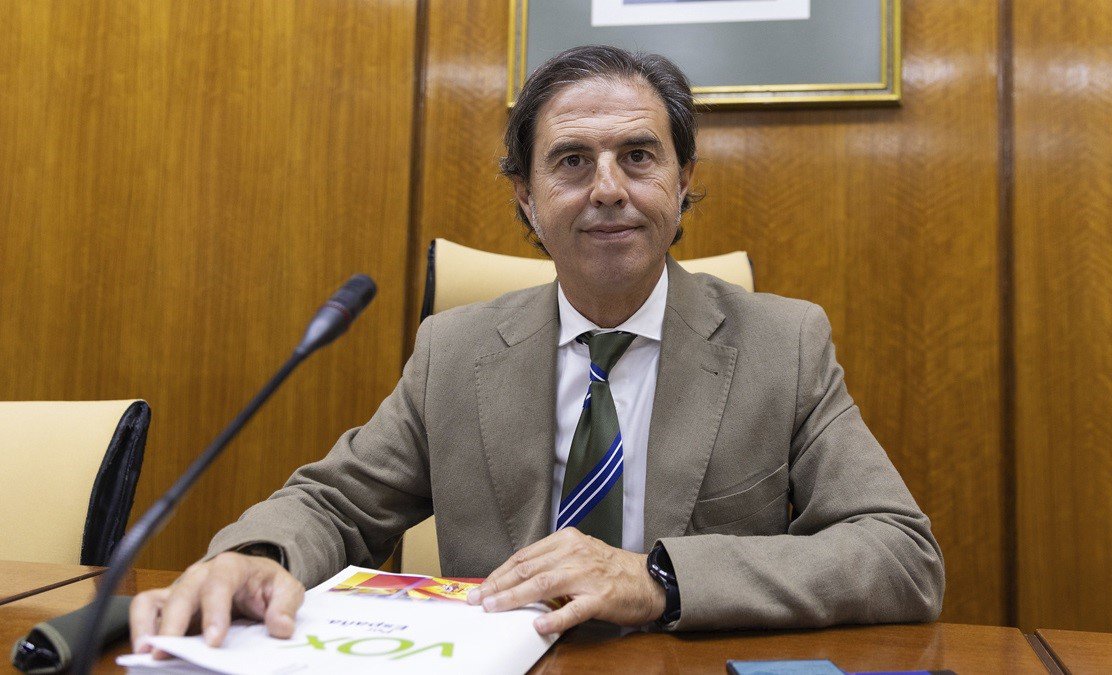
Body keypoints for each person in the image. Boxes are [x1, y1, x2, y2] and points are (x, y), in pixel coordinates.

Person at [129, 44, 944, 655]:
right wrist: (255, 555)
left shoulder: (783, 343)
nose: (608, 188)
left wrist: (659, 578)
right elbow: (334, 504)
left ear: (684, 178)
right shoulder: (455, 351)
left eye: (638, 156)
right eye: (571, 161)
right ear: (525, 194)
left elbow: (901, 554)